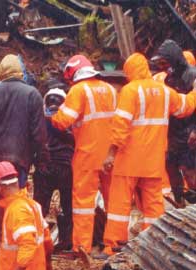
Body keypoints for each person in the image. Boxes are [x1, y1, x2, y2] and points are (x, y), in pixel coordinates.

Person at [101, 53, 196, 256]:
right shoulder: (164, 91)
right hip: (153, 161)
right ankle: (152, 246)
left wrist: (110, 153)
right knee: (154, 206)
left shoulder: (130, 91)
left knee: (120, 204)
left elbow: (120, 125)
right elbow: (185, 107)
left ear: (130, 72)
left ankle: (113, 246)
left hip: (129, 159)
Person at [0, 54, 48, 248]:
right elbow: (38, 133)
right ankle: (6, 238)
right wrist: (42, 160)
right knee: (14, 196)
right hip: (20, 156)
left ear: (1, 72)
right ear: (20, 72)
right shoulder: (33, 94)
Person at [48, 54, 117, 254]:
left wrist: (53, 114)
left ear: (72, 72)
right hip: (110, 155)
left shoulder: (78, 90)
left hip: (87, 153)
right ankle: (113, 245)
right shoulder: (110, 89)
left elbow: (62, 121)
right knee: (113, 200)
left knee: (83, 203)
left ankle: (82, 247)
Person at [152, 40, 196, 206]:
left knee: (190, 170)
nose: (164, 66)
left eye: (166, 61)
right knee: (171, 165)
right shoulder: (169, 79)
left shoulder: (192, 75)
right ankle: (179, 199)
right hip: (175, 132)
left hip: (190, 130)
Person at [35, 88, 74, 251]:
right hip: (65, 166)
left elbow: (35, 139)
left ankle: (37, 239)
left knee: (39, 206)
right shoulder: (69, 120)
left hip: (45, 165)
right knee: (67, 205)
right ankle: (66, 241)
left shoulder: (40, 119)